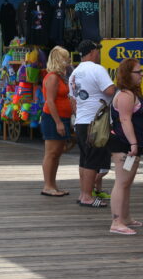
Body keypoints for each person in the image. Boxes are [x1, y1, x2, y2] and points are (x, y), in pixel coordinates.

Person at [69, 40, 115, 208]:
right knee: (93, 160)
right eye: (97, 50)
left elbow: (72, 100)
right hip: (96, 122)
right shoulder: (97, 69)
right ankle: (87, 197)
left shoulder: (74, 73)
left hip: (81, 121)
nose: (99, 54)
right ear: (92, 52)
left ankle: (83, 194)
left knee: (85, 158)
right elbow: (110, 91)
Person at [107, 58, 143, 235]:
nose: (141, 75)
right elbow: (125, 120)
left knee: (127, 182)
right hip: (124, 144)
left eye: (141, 71)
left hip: (132, 144)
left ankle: (125, 217)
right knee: (122, 182)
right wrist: (133, 143)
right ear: (127, 74)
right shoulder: (125, 95)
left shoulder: (131, 93)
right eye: (138, 72)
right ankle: (116, 222)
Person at [40, 46, 73, 197]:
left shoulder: (60, 77)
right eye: (66, 58)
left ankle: (53, 184)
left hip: (62, 118)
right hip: (53, 118)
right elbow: (50, 102)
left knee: (57, 153)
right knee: (51, 153)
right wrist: (58, 122)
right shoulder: (53, 77)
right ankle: (48, 185)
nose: (69, 61)